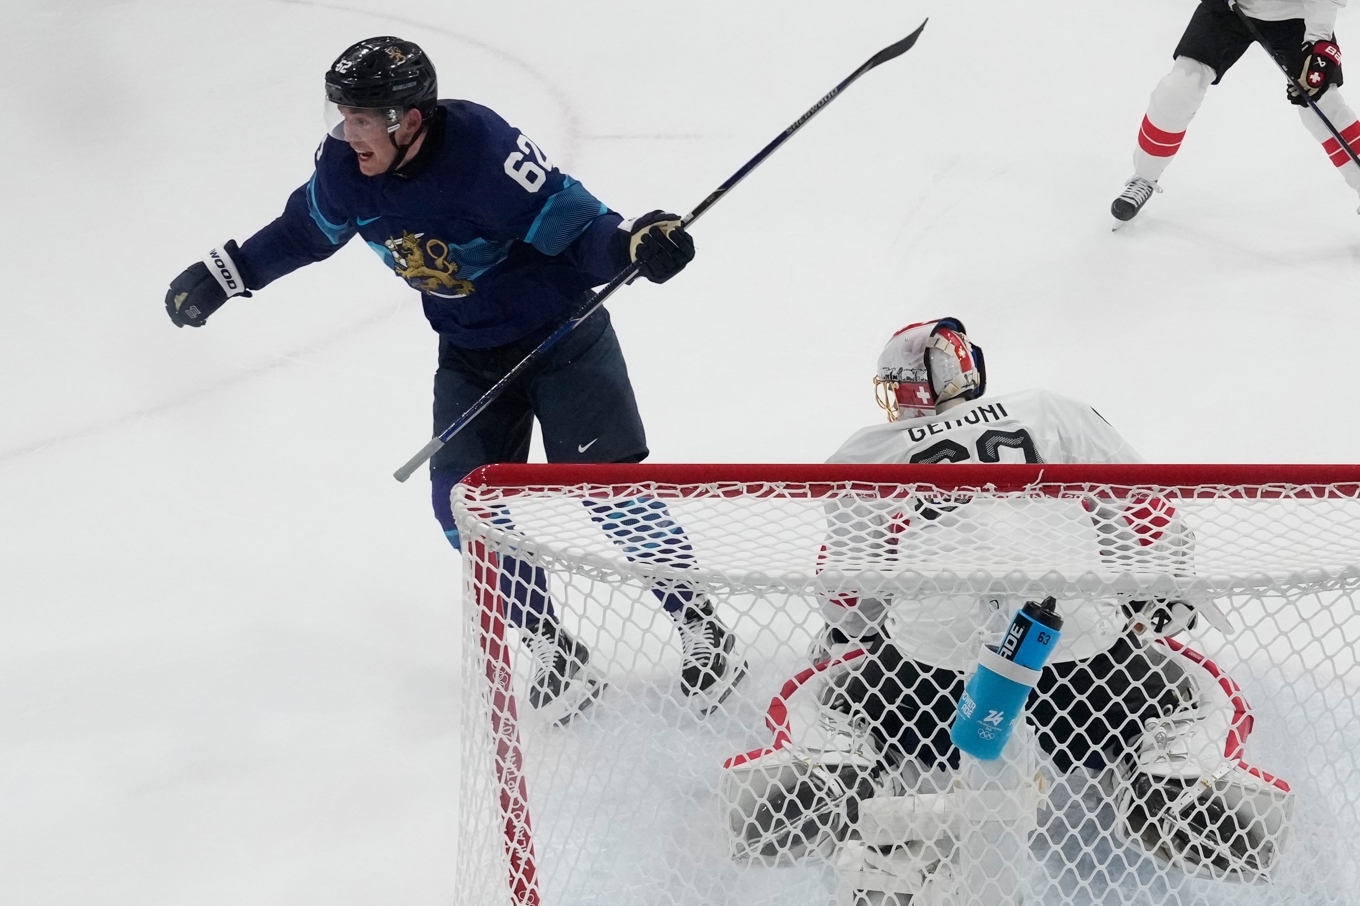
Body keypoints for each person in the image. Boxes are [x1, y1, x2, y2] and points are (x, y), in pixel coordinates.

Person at [163, 36, 744, 722]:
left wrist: (632, 244)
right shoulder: (347, 169)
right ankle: (550, 643)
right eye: (342, 117)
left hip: (562, 336)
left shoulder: (482, 153)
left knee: (609, 493)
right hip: (468, 352)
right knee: (461, 506)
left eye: (362, 120)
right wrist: (231, 273)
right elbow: (302, 232)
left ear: (408, 120)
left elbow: (577, 228)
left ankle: (701, 623)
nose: (349, 135)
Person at [720, 318, 1292, 901]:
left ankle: (831, 763)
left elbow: (846, 596)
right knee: (1192, 687)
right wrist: (1152, 604)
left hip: (931, 693)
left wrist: (864, 632)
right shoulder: (1052, 409)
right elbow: (1150, 517)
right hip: (1084, 680)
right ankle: (1177, 772)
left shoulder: (867, 451)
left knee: (826, 690)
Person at [1111, 0, 1357, 221]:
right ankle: (1145, 176)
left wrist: (1318, 42)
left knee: (1324, 104)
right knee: (1179, 88)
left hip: (1296, 16)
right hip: (1227, 9)